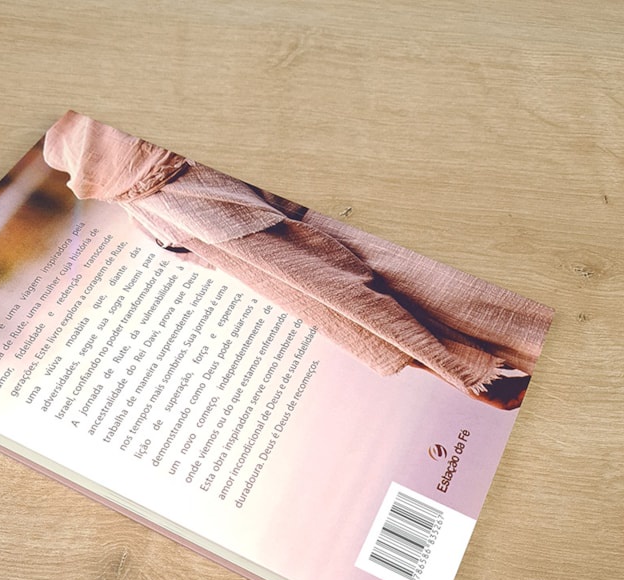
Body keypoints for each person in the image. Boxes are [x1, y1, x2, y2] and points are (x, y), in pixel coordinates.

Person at [43, 111, 552, 406]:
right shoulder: (148, 167)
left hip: (426, 273)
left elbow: (322, 290)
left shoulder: (152, 184)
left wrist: (459, 371)